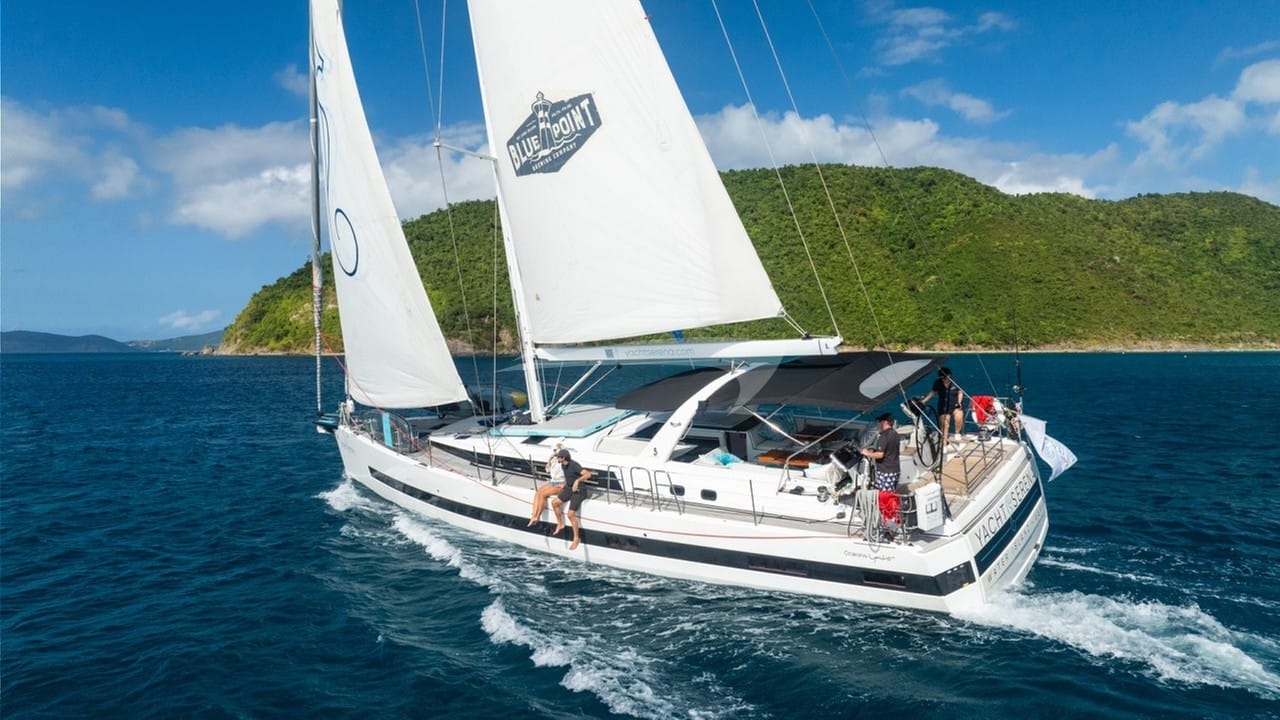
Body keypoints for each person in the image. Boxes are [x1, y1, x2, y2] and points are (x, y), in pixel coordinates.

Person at [552, 449, 593, 550]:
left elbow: (588, 474)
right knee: (554, 503)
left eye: (559, 457)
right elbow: (570, 476)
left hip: (580, 491)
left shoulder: (574, 465)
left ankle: (576, 538)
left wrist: (577, 481)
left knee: (570, 514)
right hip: (569, 488)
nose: (557, 458)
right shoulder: (563, 465)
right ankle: (560, 524)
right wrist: (565, 484)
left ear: (563, 458)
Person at [922, 367, 964, 452]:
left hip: (954, 405)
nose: (943, 379)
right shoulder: (937, 383)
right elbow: (933, 392)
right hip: (943, 406)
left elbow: (960, 392)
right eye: (941, 377)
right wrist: (924, 401)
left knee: (959, 417)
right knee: (945, 425)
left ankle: (957, 433)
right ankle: (944, 444)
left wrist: (959, 402)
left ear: (949, 376)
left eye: (944, 377)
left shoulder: (954, 382)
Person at [528, 442, 567, 526]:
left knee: (543, 495)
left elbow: (570, 474)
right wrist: (550, 459)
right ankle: (533, 515)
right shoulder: (554, 460)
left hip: (560, 484)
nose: (555, 453)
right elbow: (547, 470)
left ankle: (537, 516)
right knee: (538, 492)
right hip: (553, 482)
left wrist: (565, 484)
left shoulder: (565, 462)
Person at [861, 413, 901, 491]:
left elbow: (880, 454)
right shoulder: (895, 434)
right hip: (895, 469)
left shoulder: (884, 436)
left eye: (880, 421)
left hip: (886, 471)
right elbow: (889, 450)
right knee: (891, 493)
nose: (879, 424)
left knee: (885, 495)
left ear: (885, 422)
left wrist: (867, 453)